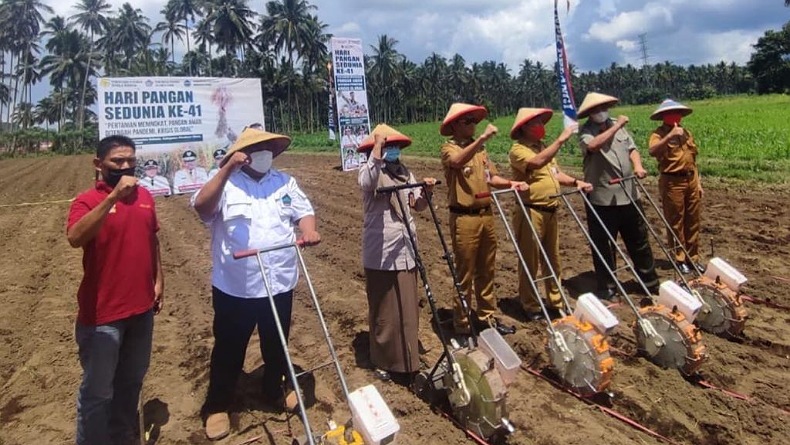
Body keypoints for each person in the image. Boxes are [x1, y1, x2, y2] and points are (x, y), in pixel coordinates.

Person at [191, 128, 320, 441]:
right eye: (257, 148)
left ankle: (273, 388)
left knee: (276, 342)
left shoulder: (284, 182)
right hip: (237, 286)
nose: (264, 153)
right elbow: (202, 208)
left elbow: (303, 211)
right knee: (229, 347)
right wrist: (226, 168)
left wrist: (309, 230)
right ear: (242, 153)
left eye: (268, 147)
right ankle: (218, 404)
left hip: (279, 280)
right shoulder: (226, 183)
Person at [66, 135, 164, 445]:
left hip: (141, 310)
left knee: (131, 382)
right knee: (98, 392)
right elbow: (75, 237)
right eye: (117, 162)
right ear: (99, 165)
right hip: (103, 316)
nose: (125, 167)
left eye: (130, 161)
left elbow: (153, 239)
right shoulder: (87, 201)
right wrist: (112, 199)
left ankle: (122, 436)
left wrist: (159, 280)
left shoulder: (145, 196)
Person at [440, 102, 529, 336]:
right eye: (467, 121)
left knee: (486, 270)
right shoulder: (449, 148)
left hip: (486, 215)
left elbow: (492, 178)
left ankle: (486, 317)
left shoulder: (480, 151)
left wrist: (512, 183)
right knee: (465, 273)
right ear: (455, 125)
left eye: (474, 121)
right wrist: (482, 139)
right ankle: (461, 323)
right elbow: (457, 162)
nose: (472, 125)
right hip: (464, 218)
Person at [357, 124, 436, 382]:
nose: (393, 151)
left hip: (405, 248)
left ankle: (407, 357)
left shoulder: (405, 173)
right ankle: (382, 359)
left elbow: (418, 204)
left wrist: (428, 191)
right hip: (381, 249)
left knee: (406, 304)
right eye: (387, 146)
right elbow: (367, 181)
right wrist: (377, 147)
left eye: (395, 147)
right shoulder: (370, 172)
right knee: (383, 309)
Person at [508, 108, 593, 320]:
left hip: (551, 209)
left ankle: (555, 301)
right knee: (531, 259)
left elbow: (556, 173)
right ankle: (530, 304)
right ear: (524, 128)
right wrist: (561, 140)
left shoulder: (542, 147)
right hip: (531, 211)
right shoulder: (518, 150)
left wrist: (575, 182)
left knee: (553, 259)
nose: (540, 126)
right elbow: (536, 163)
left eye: (541, 122)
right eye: (535, 123)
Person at [577, 92, 659, 299]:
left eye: (603, 108)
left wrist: (638, 166)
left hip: (629, 193)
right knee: (604, 244)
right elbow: (593, 146)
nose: (600, 113)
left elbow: (632, 148)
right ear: (589, 114)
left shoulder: (618, 126)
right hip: (602, 197)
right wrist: (617, 126)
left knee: (639, 239)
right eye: (595, 110)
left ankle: (649, 282)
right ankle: (607, 287)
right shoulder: (586, 131)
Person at [648, 99, 703, 274]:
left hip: (690, 179)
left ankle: (693, 258)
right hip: (672, 182)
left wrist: (698, 183)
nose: (675, 116)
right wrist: (670, 136)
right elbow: (652, 151)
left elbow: (693, 160)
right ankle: (679, 259)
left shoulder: (686, 133)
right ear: (664, 116)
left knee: (693, 221)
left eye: (678, 113)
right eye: (672, 113)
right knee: (675, 222)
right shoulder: (658, 134)